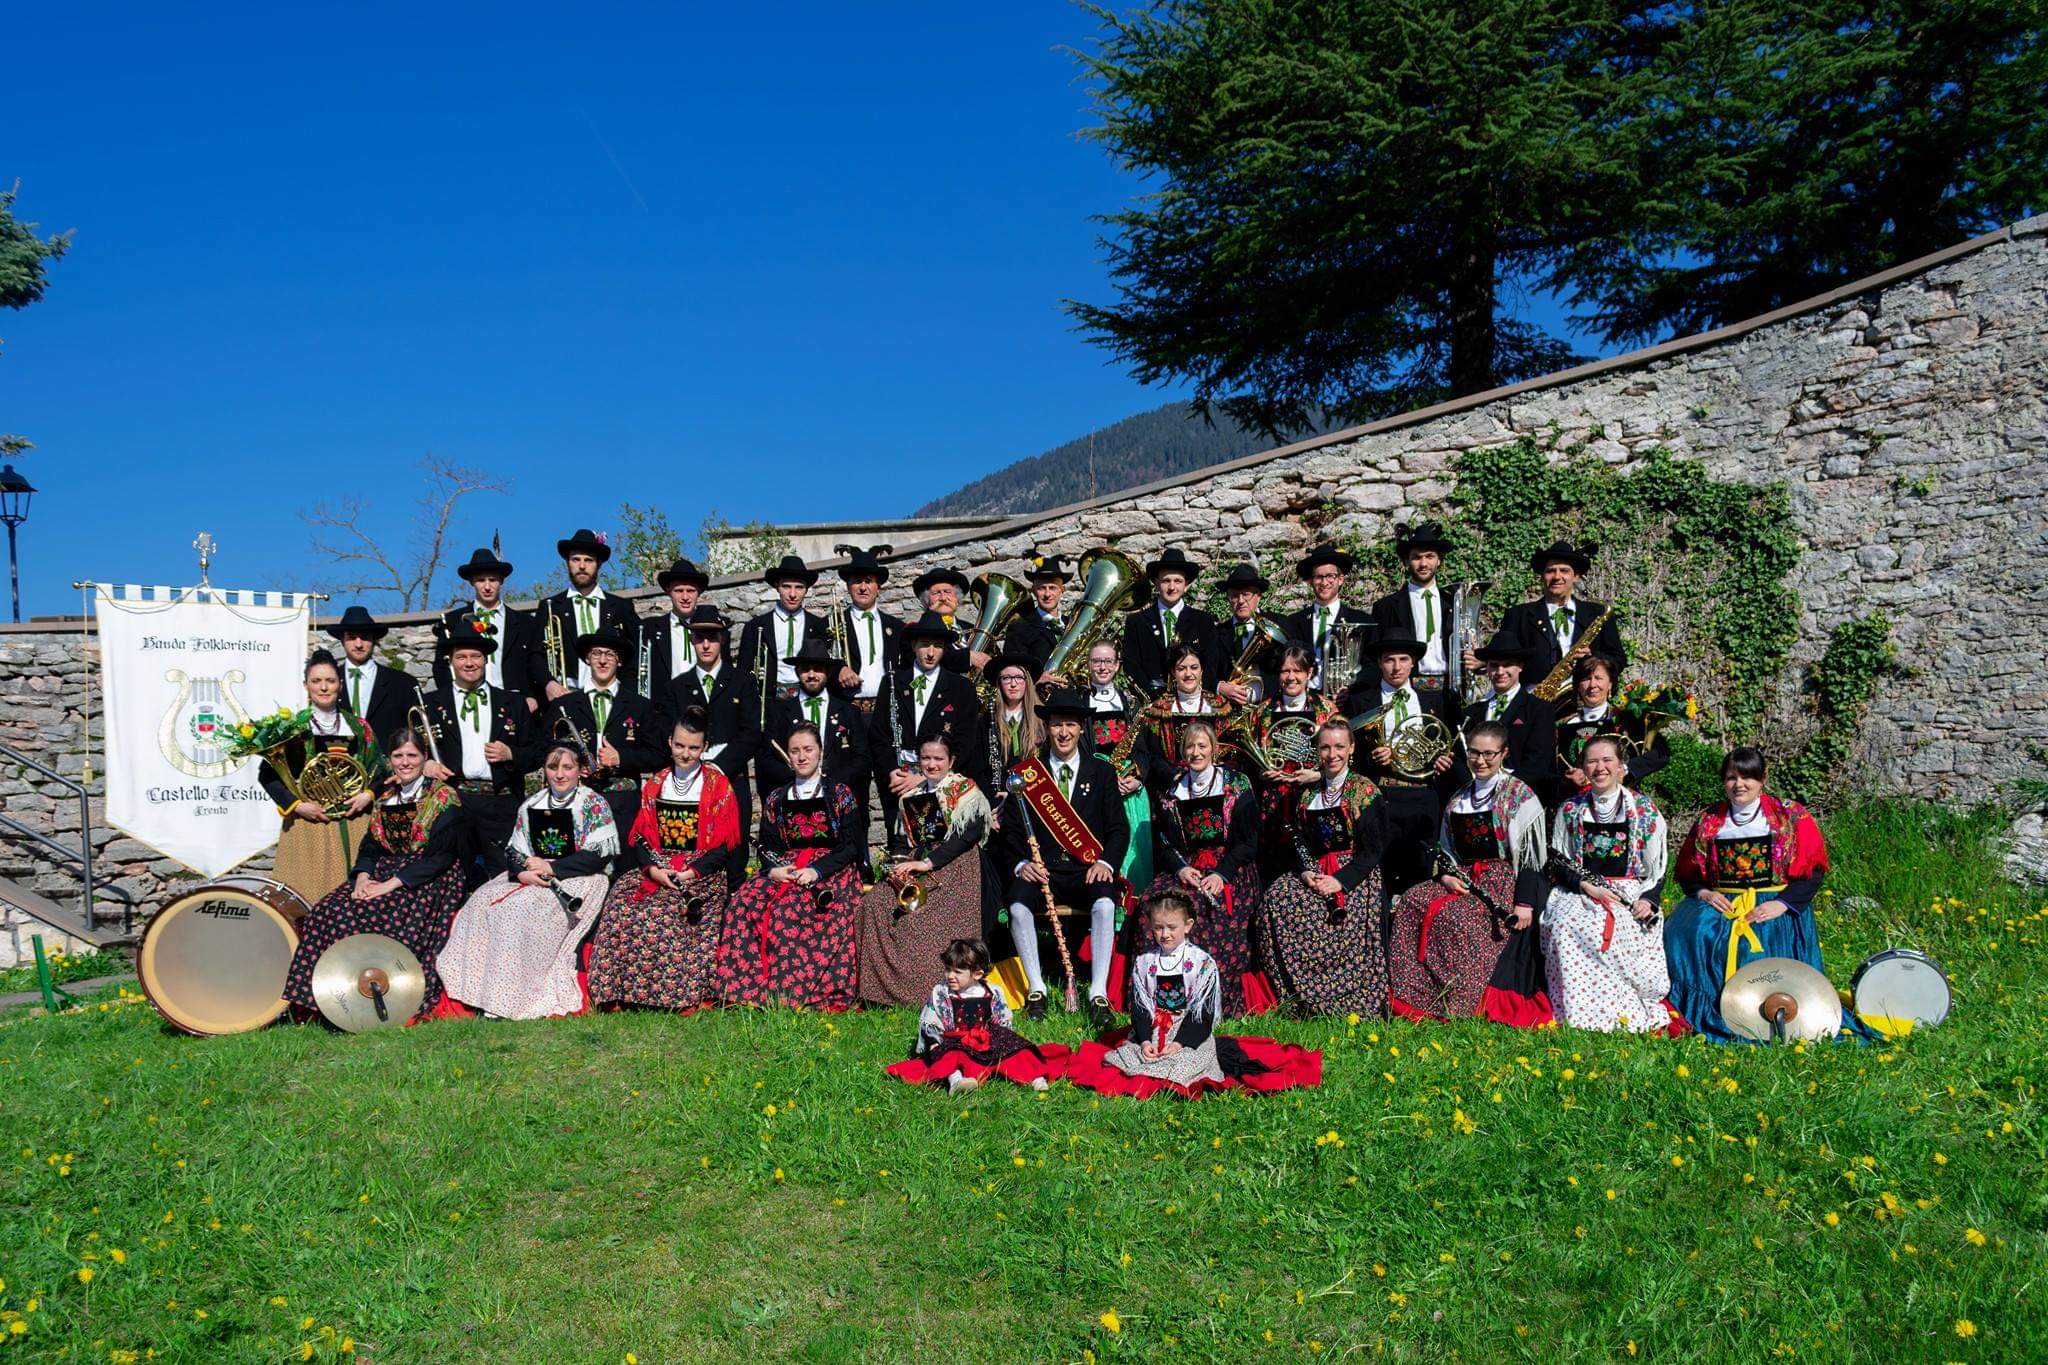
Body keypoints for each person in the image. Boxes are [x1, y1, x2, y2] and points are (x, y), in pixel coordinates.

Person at [1066, 891, 1321, 1099]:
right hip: (1154, 1030)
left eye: (1172, 927)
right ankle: (1149, 1058)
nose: (1165, 934)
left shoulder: (1201, 963)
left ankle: (1174, 1064)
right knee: (1128, 1057)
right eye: (1158, 927)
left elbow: (1203, 1014)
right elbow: (1141, 1008)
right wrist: (1144, 1041)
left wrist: (1179, 1043)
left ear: (1187, 926)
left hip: (1188, 1033)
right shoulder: (1145, 962)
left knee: (1187, 1062)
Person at [282, 729, 464, 1020]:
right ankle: (321, 1001)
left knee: (381, 913)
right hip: (384, 870)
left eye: (412, 755)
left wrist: (390, 885)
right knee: (327, 911)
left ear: (424, 758)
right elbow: (370, 847)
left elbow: (441, 856)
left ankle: (379, 998)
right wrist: (363, 879)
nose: (405, 762)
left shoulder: (443, 796)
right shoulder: (387, 796)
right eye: (398, 756)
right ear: (390, 760)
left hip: (427, 876)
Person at [437, 738, 621, 1020]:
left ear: (580, 770)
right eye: (553, 767)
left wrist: (553, 867)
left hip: (578, 878)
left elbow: (599, 855)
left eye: (568, 767)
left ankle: (509, 997)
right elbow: (514, 851)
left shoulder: (593, 803)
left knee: (514, 911)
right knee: (479, 903)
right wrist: (522, 873)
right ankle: (474, 991)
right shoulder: (532, 803)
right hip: (533, 875)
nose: (560, 774)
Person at [1387, 722, 1551, 1025]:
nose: (1481, 760)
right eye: (1474, 753)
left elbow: (1530, 858)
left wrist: (1525, 903)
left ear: (1504, 753)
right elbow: (1446, 850)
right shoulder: (1459, 797)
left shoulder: (1520, 796)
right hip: (1462, 877)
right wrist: (1446, 876)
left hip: (1502, 882)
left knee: (1460, 919)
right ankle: (1410, 997)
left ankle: (1462, 1001)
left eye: (1489, 754)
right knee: (1411, 900)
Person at [1664, 747, 1830, 1042]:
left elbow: (1812, 871)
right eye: (1731, 778)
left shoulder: (1791, 815)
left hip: (1773, 903)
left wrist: (1782, 904)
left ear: (1763, 778)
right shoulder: (1710, 819)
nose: (1739, 784)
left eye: (1747, 777)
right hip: (1723, 901)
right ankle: (1703, 1010)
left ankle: (1764, 1011)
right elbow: (1689, 876)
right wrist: (1704, 893)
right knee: (1686, 933)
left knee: (1761, 938)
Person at [587, 711, 745, 1011]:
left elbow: (724, 846)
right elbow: (641, 838)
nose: (685, 753)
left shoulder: (719, 786)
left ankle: (674, 995)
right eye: (680, 745)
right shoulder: (656, 783)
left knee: (668, 911)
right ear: (670, 742)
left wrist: (690, 873)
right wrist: (654, 870)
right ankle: (617, 990)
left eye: (694, 748)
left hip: (700, 874)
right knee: (621, 900)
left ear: (704, 747)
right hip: (660, 867)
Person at [1000, 686, 1131, 1027]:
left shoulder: (1102, 772)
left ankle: (1098, 992)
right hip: (1042, 871)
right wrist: (1022, 864)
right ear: (1047, 728)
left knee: (1105, 904)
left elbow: (1119, 829)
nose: (1063, 732)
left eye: (1070, 724)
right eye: (1057, 724)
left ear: (1081, 728)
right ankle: (1037, 988)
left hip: (1087, 869)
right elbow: (1011, 831)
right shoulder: (1025, 775)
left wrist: (1105, 863)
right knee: (1017, 906)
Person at [712, 724, 867, 1010]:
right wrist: (773, 870)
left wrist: (817, 871)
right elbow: (768, 846)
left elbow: (850, 846)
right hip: (788, 870)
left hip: (831, 872)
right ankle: (746, 991)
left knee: (792, 910)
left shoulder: (840, 794)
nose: (802, 756)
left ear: (820, 751)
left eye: (808, 749)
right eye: (795, 751)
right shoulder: (776, 798)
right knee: (743, 902)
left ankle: (795, 994)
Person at [1534, 735, 1671, 1033]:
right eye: (1592, 761)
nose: (1600, 768)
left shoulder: (1643, 809)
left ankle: (1622, 1011)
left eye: (1607, 760)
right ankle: (1578, 1011)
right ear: (1583, 768)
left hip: (1629, 890)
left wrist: (1648, 899)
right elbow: (1559, 861)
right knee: (1566, 926)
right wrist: (1586, 886)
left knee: (1622, 928)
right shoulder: (1570, 809)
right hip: (1581, 889)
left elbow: (1657, 867)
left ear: (1621, 766)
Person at [1256, 718, 1391, 1017]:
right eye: (1325, 748)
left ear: (1351, 748)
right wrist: (1305, 871)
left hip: (1354, 873)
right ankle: (1300, 995)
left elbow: (1374, 850)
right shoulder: (1308, 793)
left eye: (1339, 747)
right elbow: (1300, 841)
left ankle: (1345, 997)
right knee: (1276, 898)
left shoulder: (1365, 791)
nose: (1332, 755)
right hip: (1316, 871)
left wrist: (1340, 881)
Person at [856, 736, 994, 1007]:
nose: (931, 764)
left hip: (956, 867)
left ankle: (928, 991)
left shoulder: (965, 791)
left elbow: (969, 836)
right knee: (873, 903)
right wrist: (897, 866)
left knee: (924, 916)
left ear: (951, 761)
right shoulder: (911, 796)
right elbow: (902, 841)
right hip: (917, 864)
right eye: (926, 758)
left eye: (938, 758)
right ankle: (879, 992)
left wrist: (928, 863)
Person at [1144, 720, 1262, 1016]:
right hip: (1188, 868)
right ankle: (1164, 994)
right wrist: (1181, 869)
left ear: (1214, 749)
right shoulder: (1173, 790)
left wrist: (1222, 874)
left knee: (1209, 912)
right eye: (1189, 746)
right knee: (1155, 904)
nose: (1195, 752)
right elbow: (1163, 842)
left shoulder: (1236, 784)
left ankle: (1213, 998)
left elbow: (1249, 841)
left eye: (1202, 746)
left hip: (1230, 868)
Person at [258, 649, 380, 903]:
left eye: (330, 681)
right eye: (316, 681)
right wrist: (298, 806)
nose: (324, 687)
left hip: (354, 822)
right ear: (306, 685)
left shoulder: (359, 726)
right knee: (306, 898)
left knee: (355, 898)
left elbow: (381, 770)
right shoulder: (292, 729)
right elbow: (267, 776)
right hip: (309, 823)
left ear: (340, 684)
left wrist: (367, 795)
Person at [418, 629, 537, 886]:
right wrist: (424, 763)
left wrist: (511, 754)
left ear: (486, 660)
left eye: (476, 656)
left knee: (506, 876)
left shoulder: (513, 702)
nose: (469, 663)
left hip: (501, 802)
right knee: (453, 876)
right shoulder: (430, 703)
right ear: (450, 661)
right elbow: (409, 752)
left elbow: (537, 753)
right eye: (461, 657)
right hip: (454, 800)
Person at [1350, 636, 1458, 901]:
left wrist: (1443, 761)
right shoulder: (1361, 701)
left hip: (1423, 795)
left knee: (1422, 874)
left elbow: (1447, 745)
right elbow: (1351, 756)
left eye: (1403, 659)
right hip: (1382, 794)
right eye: (1389, 660)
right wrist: (1373, 758)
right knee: (1380, 874)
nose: (1396, 667)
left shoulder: (1435, 699)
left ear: (1413, 663)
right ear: (1379, 663)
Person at [884, 938, 1065, 1094]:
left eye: (957, 972)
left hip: (986, 1038)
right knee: (951, 1056)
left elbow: (1002, 1019)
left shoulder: (992, 991)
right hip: (956, 1040)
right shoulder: (942, 992)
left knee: (1019, 1052)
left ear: (977, 974)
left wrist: (1005, 1041)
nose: (950, 975)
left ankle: (1035, 1078)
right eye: (948, 969)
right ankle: (956, 1081)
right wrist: (933, 1044)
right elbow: (931, 1020)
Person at [870, 611, 979, 856]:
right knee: (901, 848)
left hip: (941, 779)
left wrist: (924, 777)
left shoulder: (961, 687)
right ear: (913, 646)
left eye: (937, 646)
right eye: (924, 645)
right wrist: (892, 771)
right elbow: (879, 734)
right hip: (899, 780)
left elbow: (965, 741)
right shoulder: (892, 682)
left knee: (935, 847)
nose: (930, 652)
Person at [1237, 644, 1343, 883]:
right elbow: (1250, 759)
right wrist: (1262, 773)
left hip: (1314, 797)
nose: (1291, 677)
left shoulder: (1327, 710)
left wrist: (1318, 775)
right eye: (1285, 671)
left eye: (1298, 671)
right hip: (1273, 803)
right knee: (1273, 868)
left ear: (1309, 673)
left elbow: (1342, 757)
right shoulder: (1262, 711)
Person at [665, 605, 758, 861]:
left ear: (723, 639)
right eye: (699, 638)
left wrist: (719, 766)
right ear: (692, 640)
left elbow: (751, 732)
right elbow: (669, 734)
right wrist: (695, 764)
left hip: (731, 778)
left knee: (735, 853)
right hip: (688, 782)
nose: (706, 645)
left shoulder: (742, 682)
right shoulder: (676, 688)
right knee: (690, 854)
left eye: (712, 638)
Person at [548, 629, 664, 832]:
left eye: (610, 654)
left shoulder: (640, 706)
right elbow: (546, 749)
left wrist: (621, 758)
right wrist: (572, 765)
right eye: (596, 653)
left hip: (623, 804)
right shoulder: (564, 705)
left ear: (619, 661)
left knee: (624, 853)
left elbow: (657, 755)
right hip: (577, 799)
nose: (602, 660)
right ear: (587, 658)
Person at [827, 544, 902, 831]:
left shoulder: (895, 627)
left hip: (884, 714)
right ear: (848, 586)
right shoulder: (832, 624)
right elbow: (818, 664)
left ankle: (897, 848)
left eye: (868, 581)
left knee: (891, 783)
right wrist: (838, 669)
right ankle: (854, 851)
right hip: (851, 713)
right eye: (857, 581)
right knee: (851, 788)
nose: (862, 587)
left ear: (878, 586)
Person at [1078, 638, 1155, 891]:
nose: (1102, 667)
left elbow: (1143, 750)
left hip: (1129, 790)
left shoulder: (1131, 703)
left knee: (1134, 857)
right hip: (1096, 789)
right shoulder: (1079, 703)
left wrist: (1137, 779)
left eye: (1108, 661)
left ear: (1117, 665)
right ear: (1088, 664)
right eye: (1096, 661)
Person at [536, 528, 642, 705]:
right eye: (576, 559)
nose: (582, 566)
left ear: (598, 564)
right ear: (567, 563)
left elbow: (635, 655)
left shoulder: (620, 607)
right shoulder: (550, 607)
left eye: (588, 560)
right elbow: (535, 655)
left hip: (613, 698)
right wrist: (549, 684)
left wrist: (627, 694)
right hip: (565, 695)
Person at [1499, 539, 1627, 684]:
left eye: (1564, 571)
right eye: (1550, 571)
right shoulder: (1517, 615)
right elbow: (1502, 657)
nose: (1557, 577)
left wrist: (1594, 658)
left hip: (1583, 694)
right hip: (1533, 695)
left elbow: (1618, 659)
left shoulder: (1599, 613)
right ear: (1542, 575)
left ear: (1576, 576)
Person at [758, 641, 872, 798]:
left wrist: (830, 783)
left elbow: (862, 758)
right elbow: (766, 757)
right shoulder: (779, 712)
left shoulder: (848, 711)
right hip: (794, 795)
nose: (811, 675)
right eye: (805, 669)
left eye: (818, 669)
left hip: (837, 794)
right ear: (797, 672)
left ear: (828, 672)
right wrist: (799, 780)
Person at [1552, 654, 1669, 802]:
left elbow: (1661, 754)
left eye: (1599, 678)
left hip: (1622, 801)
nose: (1592, 685)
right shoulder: (1561, 727)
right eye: (1586, 679)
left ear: (1610, 684)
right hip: (1576, 804)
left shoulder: (1627, 720)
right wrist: (1566, 781)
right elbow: (1548, 773)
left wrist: (1626, 770)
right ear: (1578, 687)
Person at [435, 546, 539, 707]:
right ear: (472, 582)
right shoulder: (452, 621)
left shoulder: (526, 623)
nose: (487, 586)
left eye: (492, 580)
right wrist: (452, 699)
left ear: (501, 581)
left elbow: (536, 663)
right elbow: (441, 667)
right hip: (468, 702)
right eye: (481, 580)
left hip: (516, 703)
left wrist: (532, 697)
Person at [736, 554, 828, 733]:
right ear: (777, 586)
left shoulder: (819, 626)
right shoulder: (756, 626)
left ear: (806, 590)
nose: (792, 594)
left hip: (807, 700)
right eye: (786, 586)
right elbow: (743, 673)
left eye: (799, 587)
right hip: (769, 705)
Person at [1369, 522, 1461, 696]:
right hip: (1408, 690)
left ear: (1439, 560)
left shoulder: (1455, 602)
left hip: (1451, 691)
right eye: (1416, 557)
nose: (1423, 563)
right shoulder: (1386, 607)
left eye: (1430, 556)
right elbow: (1376, 657)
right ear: (1406, 561)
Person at [1137, 641, 1237, 798]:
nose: (1188, 674)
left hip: (1214, 786)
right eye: (1181, 668)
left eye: (1194, 667)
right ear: (1173, 672)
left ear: (1202, 670)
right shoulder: (1159, 709)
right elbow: (1154, 755)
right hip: (1173, 787)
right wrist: (1175, 777)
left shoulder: (1220, 706)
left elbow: (1230, 749)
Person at [1456, 634, 1555, 790]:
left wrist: (1503, 789)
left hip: (1519, 794)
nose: (1500, 671)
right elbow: (1462, 757)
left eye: (1507, 665)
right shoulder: (1472, 712)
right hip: (1477, 792)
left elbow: (1537, 762)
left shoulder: (1539, 709)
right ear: (1487, 667)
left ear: (1520, 666)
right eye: (1494, 665)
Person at [1122, 547, 1222, 696]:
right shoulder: (1136, 622)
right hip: (1151, 700)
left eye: (1178, 581)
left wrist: (1191, 693)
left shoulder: (1203, 621)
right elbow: (1131, 666)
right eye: (1166, 581)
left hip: (1192, 699)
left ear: (1186, 585)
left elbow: (1211, 664)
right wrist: (1153, 698)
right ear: (1156, 583)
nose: (1172, 587)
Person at [1283, 542, 1375, 696]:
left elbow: (1372, 666)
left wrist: (1351, 688)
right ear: (1310, 581)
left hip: (1345, 700)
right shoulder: (1294, 622)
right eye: (1318, 577)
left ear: (1340, 579)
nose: (1324, 583)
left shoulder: (1362, 620)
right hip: (1305, 699)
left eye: (1330, 576)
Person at [326, 605, 422, 748]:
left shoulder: (403, 683)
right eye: (351, 637)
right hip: (339, 758)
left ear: (374, 640)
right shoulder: (326, 682)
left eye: (365, 637)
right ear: (342, 640)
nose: (358, 644)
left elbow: (419, 733)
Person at [970, 652, 1044, 802]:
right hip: (994, 801)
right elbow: (977, 768)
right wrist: (992, 801)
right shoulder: (985, 721)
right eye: (1006, 678)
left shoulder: (1042, 720)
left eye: (1019, 677)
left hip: (1034, 800)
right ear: (999, 683)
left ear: (1027, 681)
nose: (1013, 684)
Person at [643, 557, 713, 711]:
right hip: (665, 711)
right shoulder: (650, 629)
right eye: (679, 591)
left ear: (698, 593)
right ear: (669, 592)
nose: (685, 597)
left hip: (705, 709)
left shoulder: (714, 629)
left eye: (691, 591)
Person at [1214, 562, 1275, 707]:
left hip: (1268, 707)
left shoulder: (1277, 625)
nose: (1241, 601)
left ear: (1258, 596)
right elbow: (1207, 672)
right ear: (1228, 598)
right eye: (1234, 595)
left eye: (1246, 594)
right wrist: (1221, 687)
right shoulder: (1217, 633)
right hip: (1230, 709)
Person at [1003, 552, 1071, 675]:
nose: (1047, 594)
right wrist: (1038, 677)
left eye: (1052, 588)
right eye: (1041, 588)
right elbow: (1013, 669)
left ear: (1062, 590)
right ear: (1034, 591)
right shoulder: (1019, 627)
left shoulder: (1072, 623)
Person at [912, 566, 977, 674]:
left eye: (947, 591)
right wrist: (968, 657)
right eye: (936, 593)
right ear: (927, 601)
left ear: (957, 598)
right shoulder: (914, 631)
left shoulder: (972, 629)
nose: (943, 598)